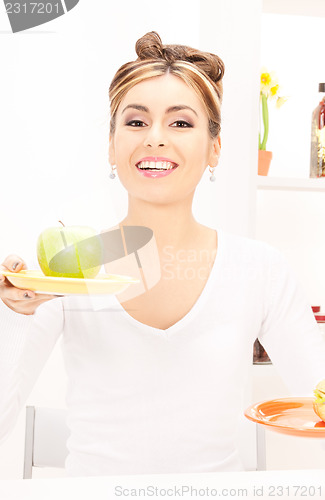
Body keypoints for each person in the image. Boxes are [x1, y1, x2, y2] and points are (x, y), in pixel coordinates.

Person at [0, 31, 325, 477]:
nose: (155, 138)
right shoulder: (69, 270)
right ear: (112, 146)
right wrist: (14, 316)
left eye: (181, 122)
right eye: (135, 122)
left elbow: (319, 394)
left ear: (215, 148)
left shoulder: (259, 270)